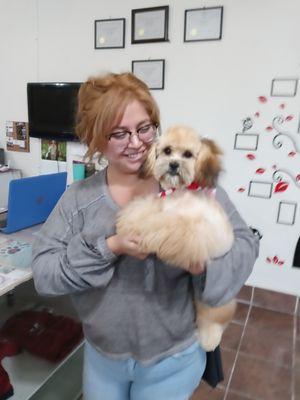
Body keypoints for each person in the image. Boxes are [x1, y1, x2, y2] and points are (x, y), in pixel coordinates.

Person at [31, 72, 260, 400]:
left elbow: (245, 245)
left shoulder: (190, 185)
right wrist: (110, 246)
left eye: (144, 128)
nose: (137, 142)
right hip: (102, 359)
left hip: (173, 359)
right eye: (119, 133)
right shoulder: (80, 199)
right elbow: (44, 274)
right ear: (96, 138)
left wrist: (202, 266)